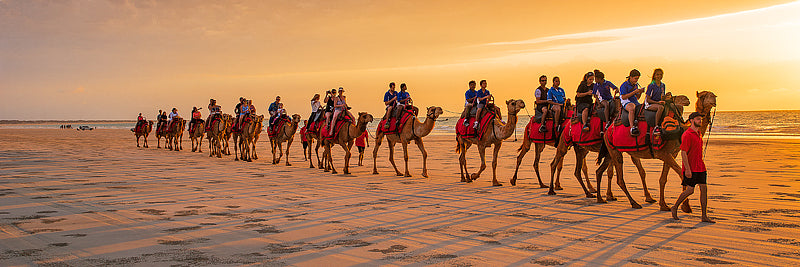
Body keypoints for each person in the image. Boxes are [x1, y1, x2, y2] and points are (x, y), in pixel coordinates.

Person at [671, 112, 715, 223]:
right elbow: (683, 152)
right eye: (697, 119)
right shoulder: (687, 134)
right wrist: (687, 169)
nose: (700, 121)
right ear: (691, 120)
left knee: (704, 189)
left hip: (701, 167)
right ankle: (675, 207)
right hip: (691, 168)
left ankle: (704, 216)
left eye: (700, 119)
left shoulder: (699, 133)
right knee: (690, 190)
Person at [620, 69, 645, 136]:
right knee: (632, 108)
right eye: (635, 78)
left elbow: (637, 98)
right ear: (630, 77)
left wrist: (640, 92)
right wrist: (634, 92)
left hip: (635, 101)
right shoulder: (624, 85)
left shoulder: (635, 85)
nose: (636, 80)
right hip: (626, 101)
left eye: (637, 79)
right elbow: (623, 97)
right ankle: (632, 128)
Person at [646, 68, 666, 135]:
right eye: (657, 75)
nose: (659, 76)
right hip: (650, 104)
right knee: (661, 108)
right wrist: (658, 103)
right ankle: (656, 126)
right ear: (654, 76)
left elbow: (662, 96)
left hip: (658, 102)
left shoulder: (663, 85)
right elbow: (648, 99)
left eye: (661, 75)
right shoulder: (651, 86)